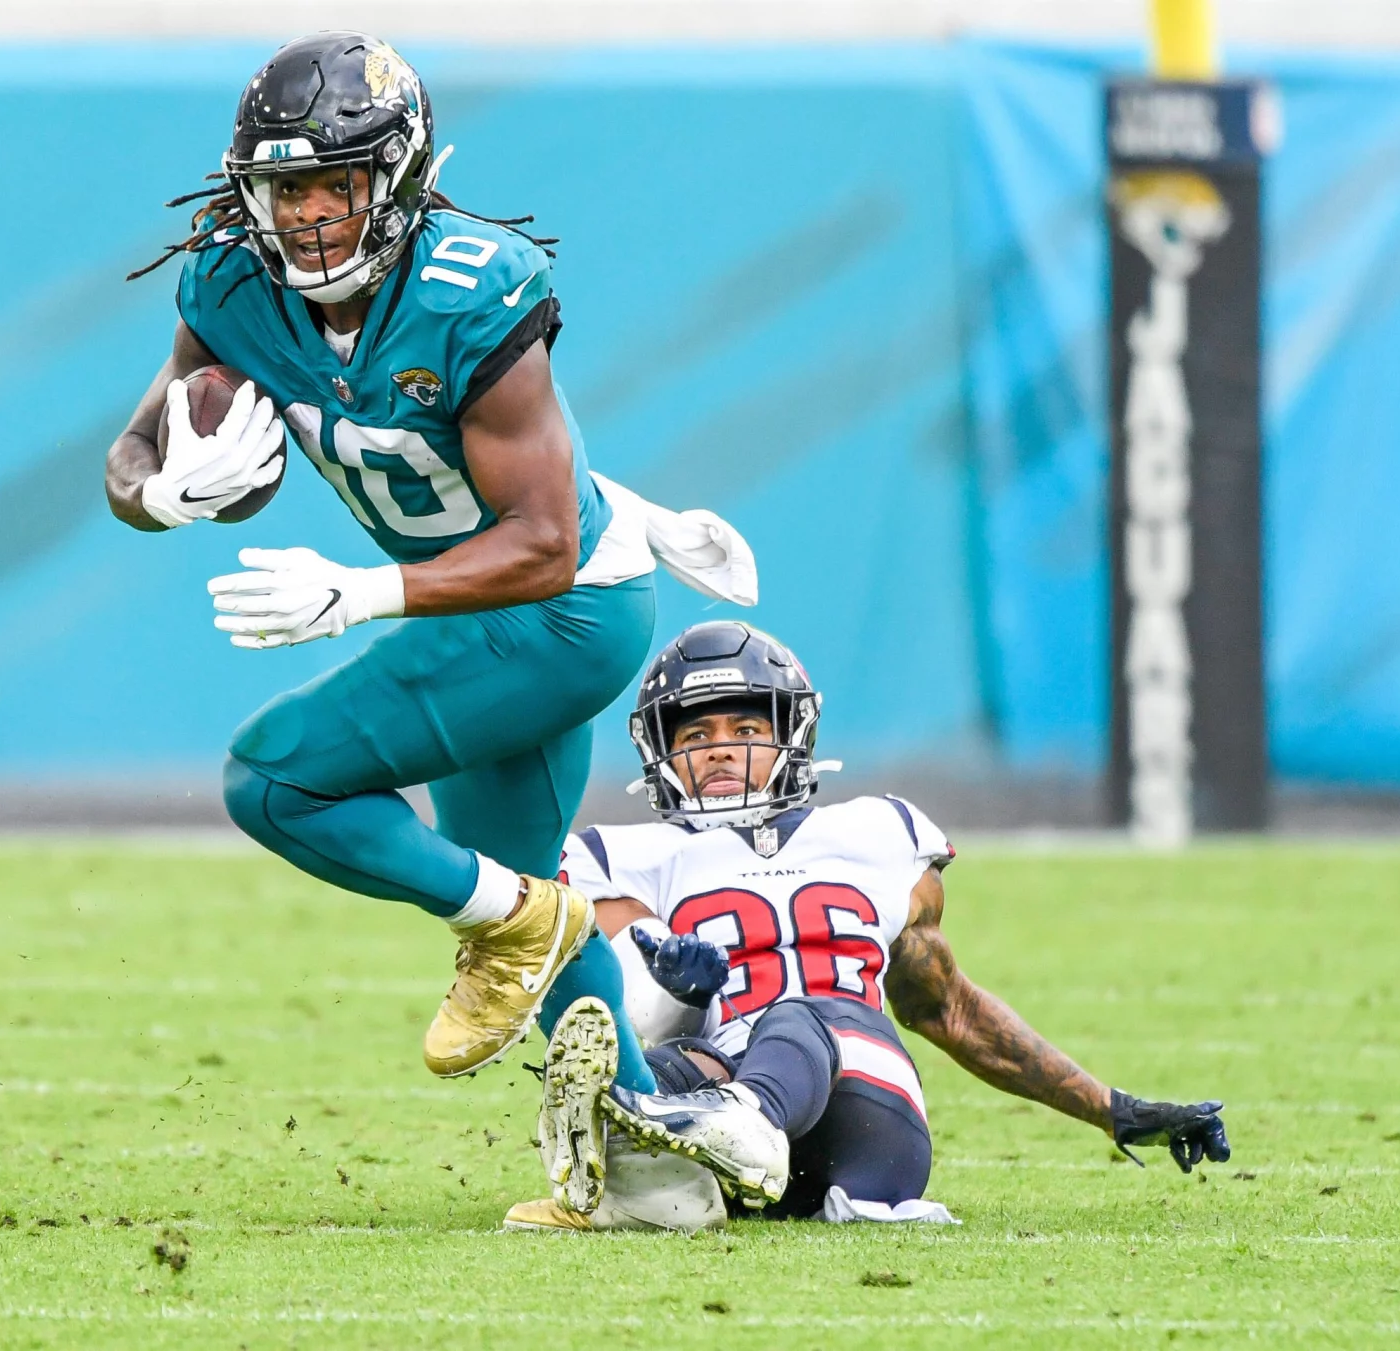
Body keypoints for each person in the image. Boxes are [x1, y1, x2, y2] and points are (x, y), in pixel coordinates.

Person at [102, 32, 761, 1120]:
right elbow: (130, 452)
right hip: (490, 607)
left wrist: (357, 594)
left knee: (273, 780)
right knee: (519, 896)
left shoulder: (468, 289)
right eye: (285, 190)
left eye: (336, 185)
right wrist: (162, 494)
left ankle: (527, 922)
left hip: (562, 612)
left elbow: (544, 541)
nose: (309, 217)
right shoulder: (230, 282)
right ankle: (652, 1160)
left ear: (398, 175)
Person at [507, 620, 1230, 1231]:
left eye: (747, 727)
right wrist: (682, 995)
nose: (722, 747)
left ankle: (734, 1125)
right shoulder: (626, 857)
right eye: (697, 732)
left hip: (867, 1121)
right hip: (723, 1102)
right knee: (647, 1073)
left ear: (793, 734)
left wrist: (1111, 1109)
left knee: (799, 1013)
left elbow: (948, 1008)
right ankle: (647, 1175)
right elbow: (625, 1014)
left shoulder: (879, 834)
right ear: (660, 751)